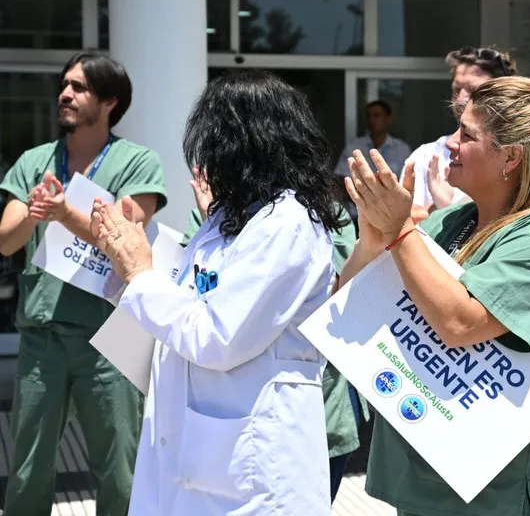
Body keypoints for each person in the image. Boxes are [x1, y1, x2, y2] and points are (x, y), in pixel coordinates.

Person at [339, 75, 530, 515]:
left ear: (511, 157)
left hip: (493, 490)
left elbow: (460, 322)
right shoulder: (454, 220)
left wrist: (400, 229)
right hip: (425, 473)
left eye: (467, 135)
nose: (450, 144)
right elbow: (352, 299)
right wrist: (371, 240)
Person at [89, 70, 346, 515]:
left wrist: (140, 273)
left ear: (249, 143)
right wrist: (126, 261)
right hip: (193, 454)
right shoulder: (226, 218)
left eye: (216, 140)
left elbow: (216, 336)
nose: (206, 158)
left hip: (251, 471)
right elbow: (181, 307)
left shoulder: (288, 223)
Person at [0, 51, 167, 516]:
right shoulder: (36, 161)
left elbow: (124, 234)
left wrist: (61, 211)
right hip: (42, 338)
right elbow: (6, 242)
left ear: (110, 101)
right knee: (29, 469)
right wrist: (35, 213)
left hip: (109, 340)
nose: (65, 94)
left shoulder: (137, 162)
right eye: (64, 85)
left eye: (78, 87)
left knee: (122, 470)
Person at [180, 168, 370, 503]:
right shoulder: (214, 211)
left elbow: (337, 300)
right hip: (227, 414)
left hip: (318, 410)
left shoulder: (319, 210)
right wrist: (214, 223)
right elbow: (188, 292)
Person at [403, 46, 517, 212]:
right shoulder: (427, 156)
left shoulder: (524, 157)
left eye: (473, 90)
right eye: (457, 90)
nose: (461, 99)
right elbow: (404, 220)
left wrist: (443, 209)